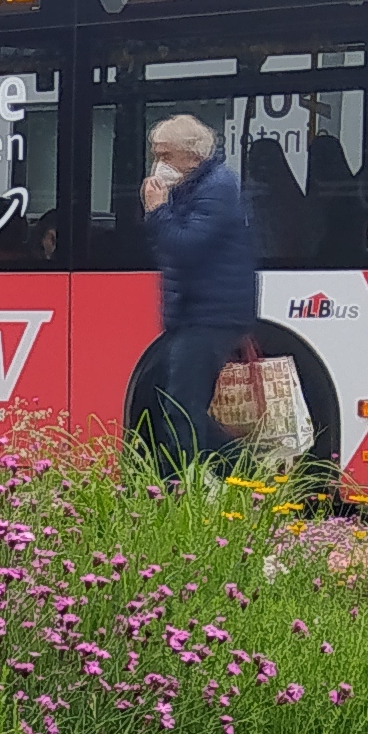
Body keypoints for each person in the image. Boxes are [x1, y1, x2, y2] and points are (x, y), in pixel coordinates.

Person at [139, 114, 257, 469]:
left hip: (209, 314)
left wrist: (157, 211)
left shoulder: (217, 186)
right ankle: (244, 468)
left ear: (192, 156)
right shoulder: (197, 185)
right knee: (182, 402)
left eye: (165, 155)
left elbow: (186, 246)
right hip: (194, 312)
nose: (159, 164)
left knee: (181, 409)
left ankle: (176, 488)